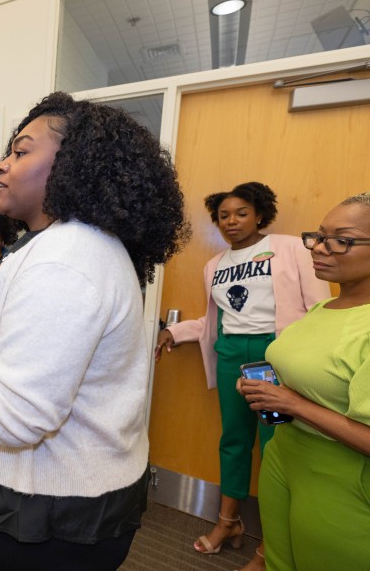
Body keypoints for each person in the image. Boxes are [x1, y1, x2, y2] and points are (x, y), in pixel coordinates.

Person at [0, 92, 190, 570]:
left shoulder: (65, 259)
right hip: (61, 495)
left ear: (74, 166)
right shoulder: (64, 245)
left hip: (45, 517)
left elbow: (16, 416)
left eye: (21, 152)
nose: (1, 164)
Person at [154, 182, 330, 571]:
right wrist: (175, 332)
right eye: (223, 216)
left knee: (274, 446)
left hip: (276, 353)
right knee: (233, 440)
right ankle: (228, 522)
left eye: (241, 213)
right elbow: (216, 321)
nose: (231, 221)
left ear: (260, 214)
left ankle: (272, 543)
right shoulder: (214, 265)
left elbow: (320, 308)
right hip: (231, 354)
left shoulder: (290, 248)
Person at [238, 194, 370, 570]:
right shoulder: (321, 308)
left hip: (340, 475)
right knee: (280, 561)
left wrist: (291, 403)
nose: (319, 248)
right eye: (319, 236)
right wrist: (267, 391)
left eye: (341, 240)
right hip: (284, 456)